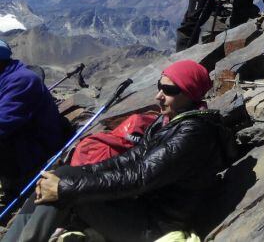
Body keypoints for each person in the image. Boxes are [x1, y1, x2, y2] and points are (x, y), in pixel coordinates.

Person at [5, 60, 235, 242]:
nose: (158, 95)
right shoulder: (169, 121)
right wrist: (77, 173)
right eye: (159, 86)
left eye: (169, 90)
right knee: (56, 179)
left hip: (154, 224)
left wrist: (66, 188)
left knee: (65, 192)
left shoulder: (193, 134)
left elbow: (141, 176)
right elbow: (129, 159)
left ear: (191, 93)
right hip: (140, 208)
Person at [0, 40, 64, 202]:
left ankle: (15, 190)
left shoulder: (21, 81)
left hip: (32, 153)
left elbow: (2, 124)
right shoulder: (5, 77)